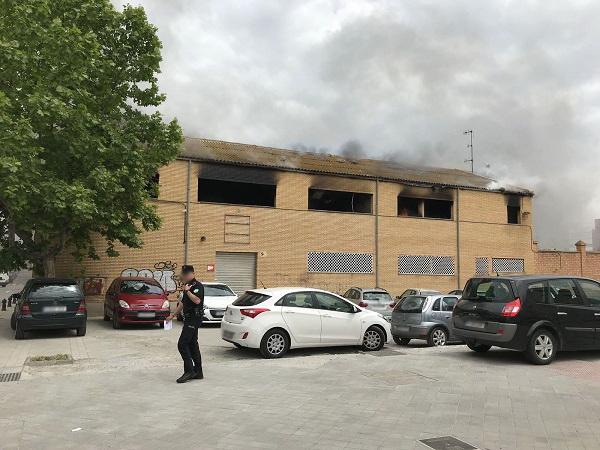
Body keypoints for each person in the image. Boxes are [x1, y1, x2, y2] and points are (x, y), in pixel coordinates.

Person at [166, 265, 204, 383]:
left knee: (182, 344)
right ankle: (198, 372)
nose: (182, 277)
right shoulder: (187, 286)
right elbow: (182, 303)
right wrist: (173, 315)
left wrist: (187, 291)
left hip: (194, 318)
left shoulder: (197, 286)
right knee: (192, 344)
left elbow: (197, 300)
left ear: (189, 274)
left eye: (183, 275)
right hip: (188, 318)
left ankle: (189, 371)